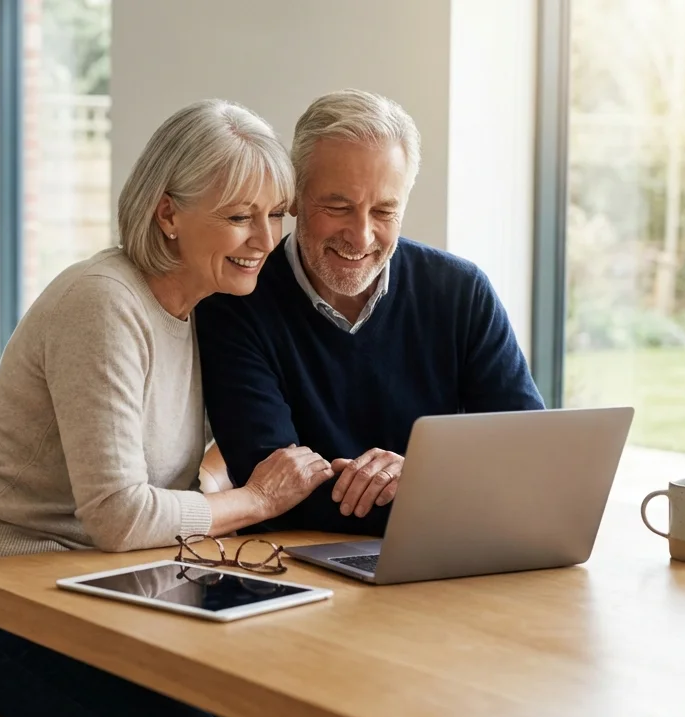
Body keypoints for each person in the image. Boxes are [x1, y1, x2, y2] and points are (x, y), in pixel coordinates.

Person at [0, 99, 335, 717]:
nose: (265, 239)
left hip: (90, 583)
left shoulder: (205, 311)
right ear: (168, 214)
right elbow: (118, 514)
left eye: (276, 213)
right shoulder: (102, 302)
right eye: (239, 216)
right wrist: (254, 501)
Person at [195, 89, 545, 538]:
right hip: (298, 570)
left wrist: (421, 477)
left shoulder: (461, 291)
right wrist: (442, 492)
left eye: (384, 211)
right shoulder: (235, 305)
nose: (360, 237)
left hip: (444, 557)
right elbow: (277, 494)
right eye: (338, 207)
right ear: (295, 198)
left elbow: (529, 458)